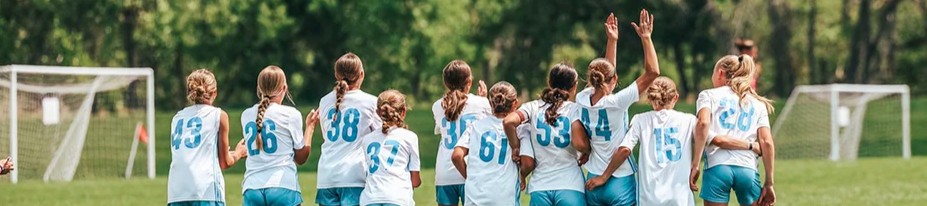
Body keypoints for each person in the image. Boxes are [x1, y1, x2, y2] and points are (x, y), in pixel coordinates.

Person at [586, 77, 759, 206]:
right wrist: (751, 146)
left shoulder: (640, 119)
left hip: (650, 198)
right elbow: (717, 139)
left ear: (650, 98)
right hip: (680, 197)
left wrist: (604, 176)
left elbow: (624, 150)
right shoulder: (689, 120)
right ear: (675, 97)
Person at [571, 10, 660, 206]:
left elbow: (606, 74)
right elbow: (653, 72)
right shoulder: (617, 102)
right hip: (619, 177)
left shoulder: (582, 98)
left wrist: (612, 41)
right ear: (615, 79)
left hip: (593, 176)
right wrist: (646, 38)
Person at [692, 55, 776, 206]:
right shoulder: (757, 103)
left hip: (717, 167)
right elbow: (767, 142)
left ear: (720, 73)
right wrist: (769, 183)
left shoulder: (708, 95)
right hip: (747, 169)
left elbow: (703, 124)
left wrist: (696, 164)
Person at [503, 63, 585, 206]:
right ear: (574, 86)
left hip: (540, 187)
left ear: (549, 82)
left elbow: (509, 122)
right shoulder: (575, 109)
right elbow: (580, 142)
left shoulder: (533, 107)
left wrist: (515, 146)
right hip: (570, 185)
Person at [167, 69, 248, 206]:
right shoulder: (219, 115)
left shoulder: (177, 118)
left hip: (176, 193)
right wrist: (239, 152)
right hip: (205, 190)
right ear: (214, 93)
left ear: (190, 92)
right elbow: (225, 162)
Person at [241, 66, 319, 206]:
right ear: (284, 88)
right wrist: (310, 127)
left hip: (252, 187)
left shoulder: (246, 115)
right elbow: (301, 158)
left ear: (259, 89)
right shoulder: (290, 114)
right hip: (282, 185)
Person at [451, 81, 532, 206]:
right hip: (504, 197)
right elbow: (527, 162)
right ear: (515, 103)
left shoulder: (476, 126)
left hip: (475, 197)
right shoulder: (520, 129)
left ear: (490, 103)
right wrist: (522, 175)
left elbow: (457, 156)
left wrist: (469, 177)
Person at [317, 53, 383, 206]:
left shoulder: (325, 101)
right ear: (362, 74)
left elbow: (326, 134)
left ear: (336, 75)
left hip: (326, 176)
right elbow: (380, 135)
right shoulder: (371, 102)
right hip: (354, 174)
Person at [432, 60, 492, 206]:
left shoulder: (437, 106)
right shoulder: (481, 103)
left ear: (445, 83)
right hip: (470, 170)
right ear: (469, 82)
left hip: (444, 173)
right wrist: (483, 99)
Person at [359, 90, 422, 206]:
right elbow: (416, 180)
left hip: (370, 199)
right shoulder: (410, 137)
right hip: (398, 199)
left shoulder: (367, 140)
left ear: (378, 113)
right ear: (403, 112)